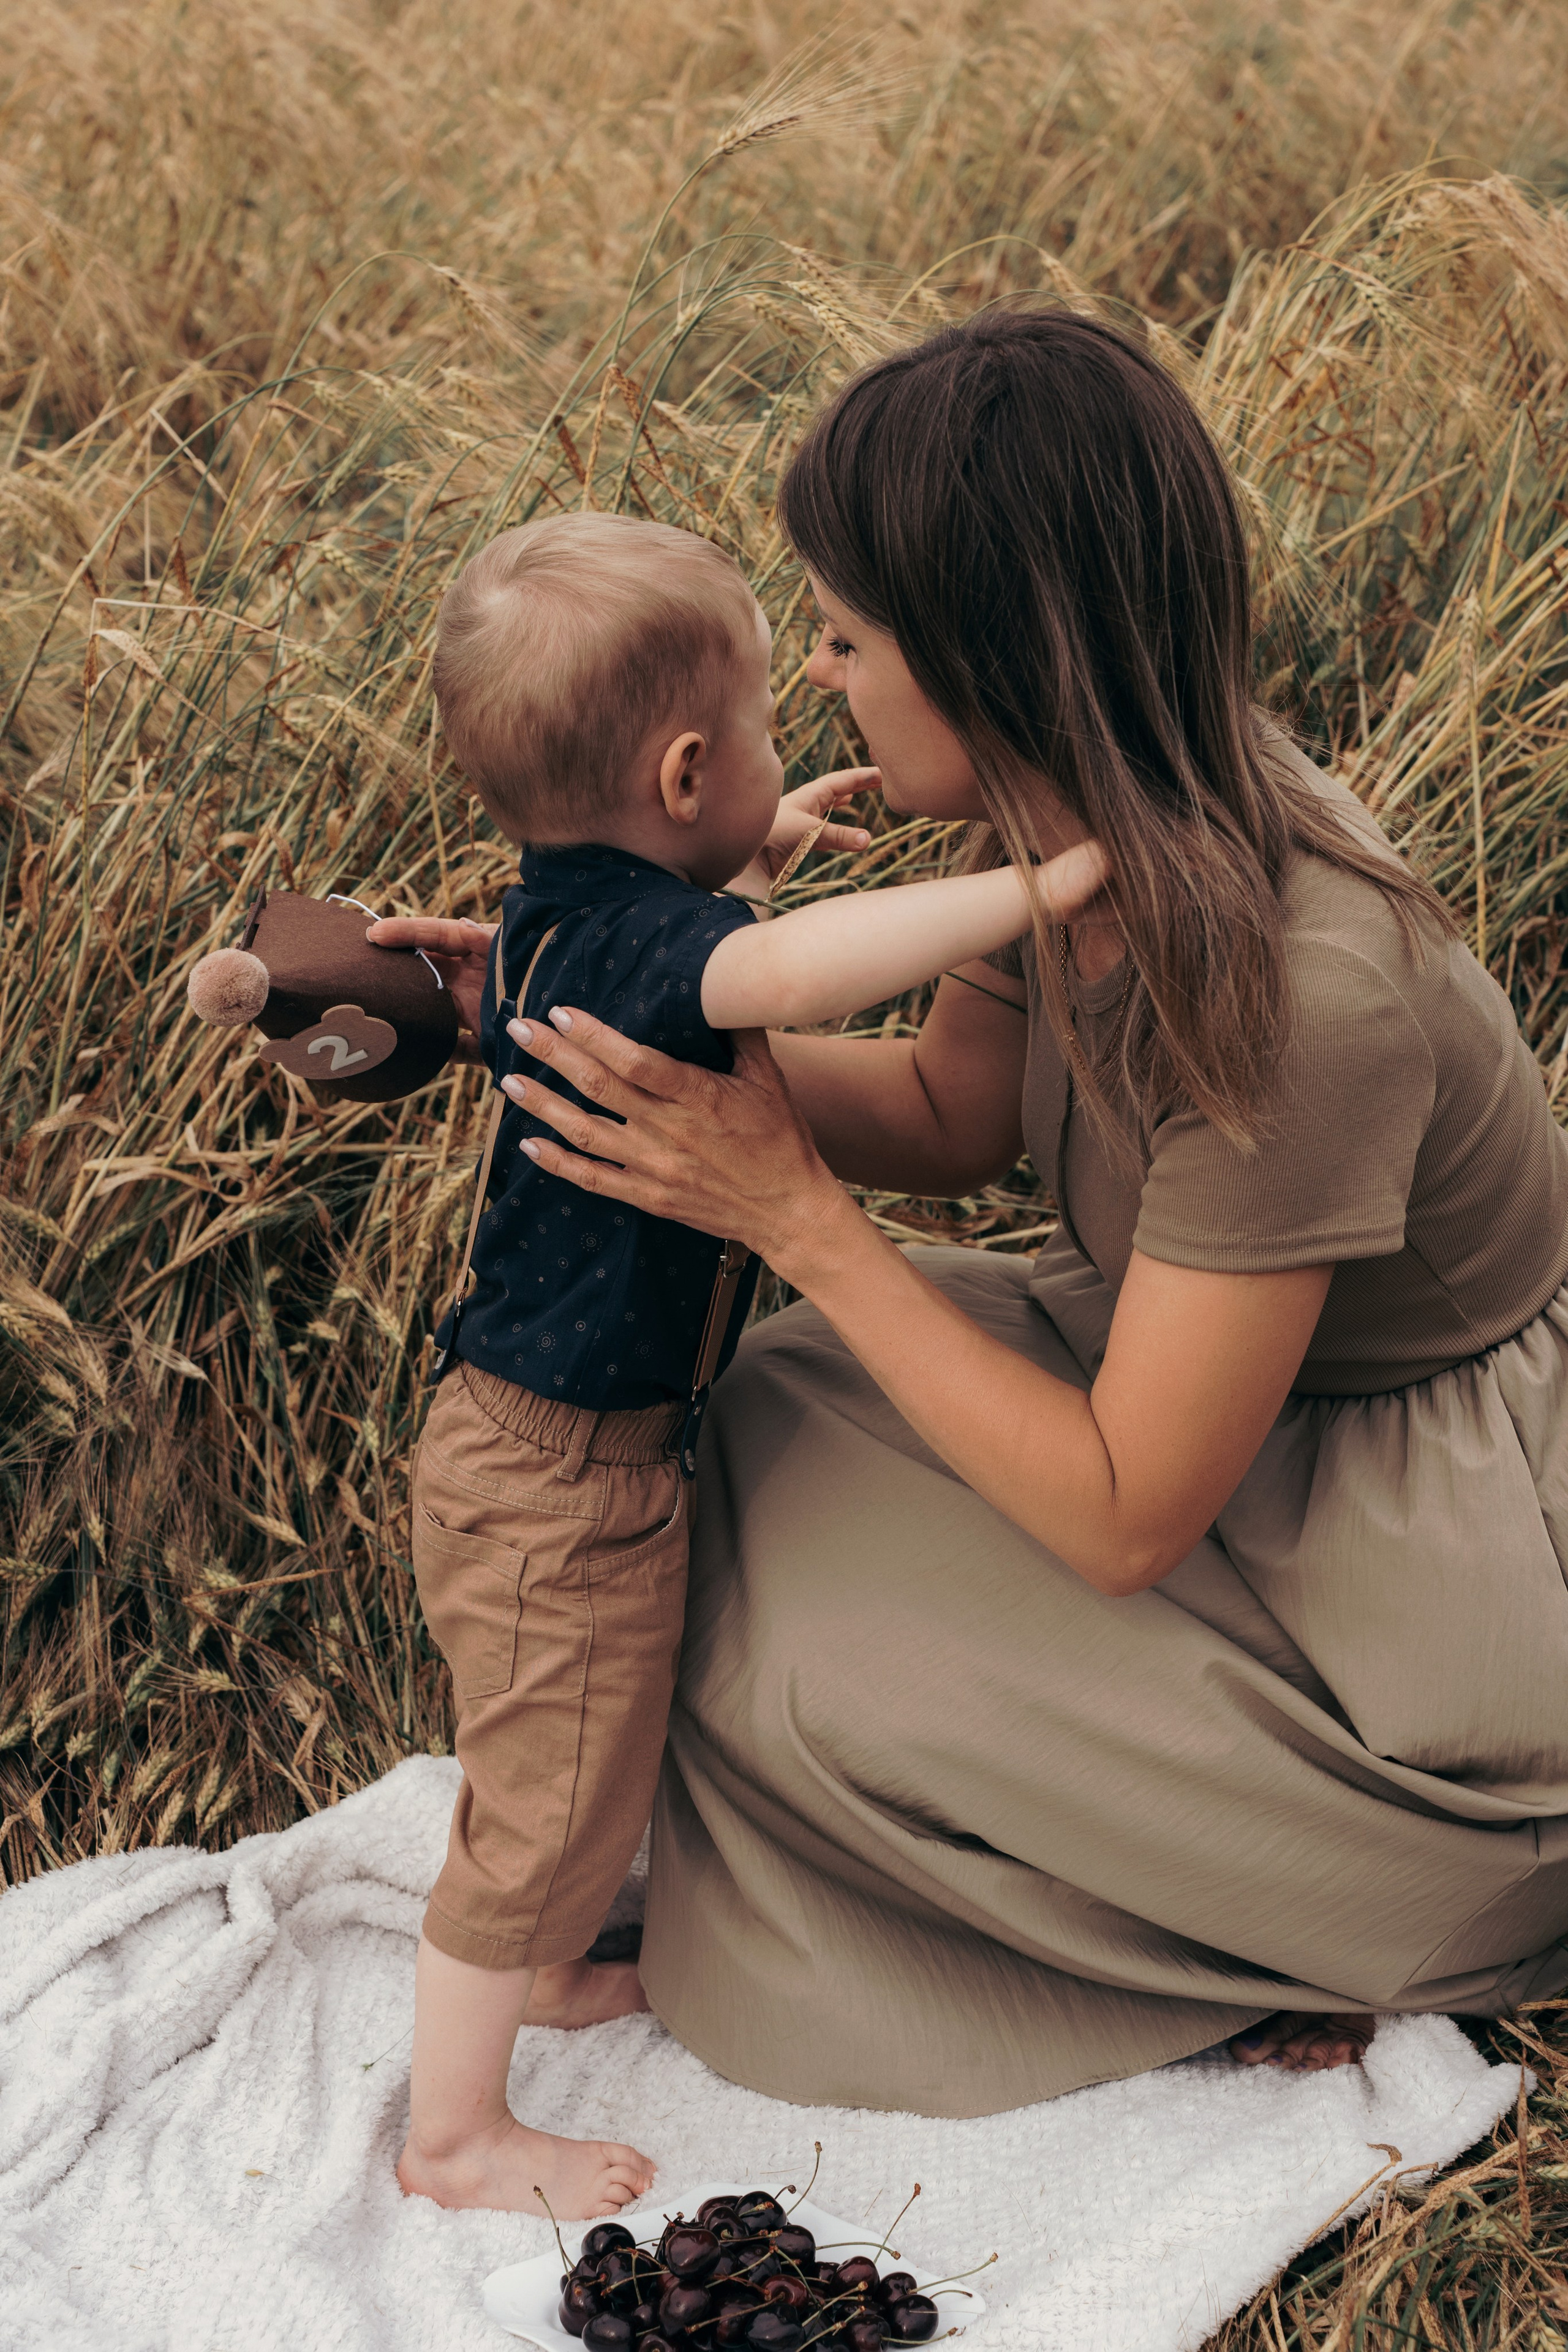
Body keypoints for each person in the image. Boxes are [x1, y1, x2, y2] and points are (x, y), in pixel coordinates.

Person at [492, 311, 1568, 2122]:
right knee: (760, 1417)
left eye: (843, 636)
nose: (821, 675)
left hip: (1430, 1583)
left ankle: (1293, 1913)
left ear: (991, 650)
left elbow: (1132, 1513)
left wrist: (795, 1219)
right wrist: (540, 1029)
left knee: (826, 1677)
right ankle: (1107, 1860)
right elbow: (946, 1110)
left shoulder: (1297, 985)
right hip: (1222, 1411)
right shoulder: (1066, 817)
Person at [372, 510, 1105, 2214]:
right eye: (775, 720)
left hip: (539, 1443)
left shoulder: (562, 912)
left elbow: (716, 939)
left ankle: (547, 1965)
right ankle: (453, 2137)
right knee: (547, 1791)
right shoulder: (655, 948)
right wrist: (1037, 886)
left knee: (576, 1751)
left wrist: (759, 844)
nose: (804, 730)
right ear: (686, 767)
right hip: (559, 1474)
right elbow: (770, 970)